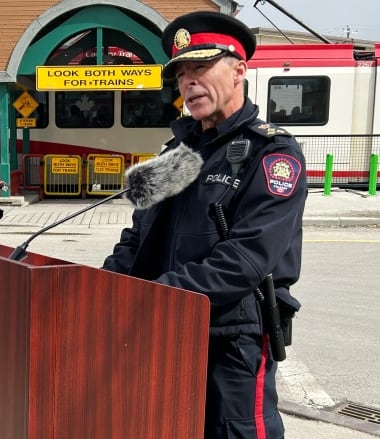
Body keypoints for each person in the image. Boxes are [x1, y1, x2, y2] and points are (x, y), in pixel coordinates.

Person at [101, 12, 306, 439]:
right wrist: (99, 288)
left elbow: (246, 258)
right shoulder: (177, 151)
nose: (188, 82)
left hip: (231, 336)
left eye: (200, 67)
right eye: (180, 74)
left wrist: (157, 295)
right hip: (166, 327)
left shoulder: (271, 154)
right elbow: (140, 238)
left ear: (239, 71)